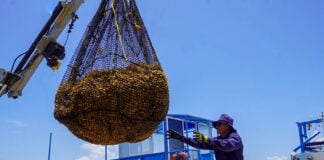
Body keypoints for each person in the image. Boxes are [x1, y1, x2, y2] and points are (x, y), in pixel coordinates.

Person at [167, 114, 244, 160]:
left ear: (227, 125)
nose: (217, 127)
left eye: (219, 124)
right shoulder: (217, 140)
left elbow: (227, 145)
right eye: (216, 125)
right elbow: (199, 143)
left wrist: (207, 139)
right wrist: (182, 138)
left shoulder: (235, 138)